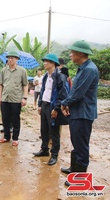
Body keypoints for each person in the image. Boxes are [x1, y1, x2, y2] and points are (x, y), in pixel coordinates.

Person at [60, 40, 99, 186]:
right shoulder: (83, 68)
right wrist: (68, 104)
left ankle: (80, 179)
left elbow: (78, 94)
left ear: (80, 53)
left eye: (72, 52)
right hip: (77, 111)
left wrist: (64, 103)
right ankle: (74, 169)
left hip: (83, 113)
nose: (70, 55)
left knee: (81, 145)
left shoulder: (89, 69)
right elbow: (75, 91)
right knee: (75, 141)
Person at [33, 54, 69, 165]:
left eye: (47, 61)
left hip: (53, 107)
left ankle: (54, 155)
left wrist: (57, 108)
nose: (44, 63)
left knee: (54, 131)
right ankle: (44, 149)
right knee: (44, 129)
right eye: (44, 61)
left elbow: (63, 95)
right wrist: (39, 105)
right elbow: (43, 91)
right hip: (44, 105)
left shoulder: (60, 77)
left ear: (53, 63)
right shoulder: (45, 77)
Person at [0, 51, 28, 146]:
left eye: (12, 58)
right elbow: (0, 84)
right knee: (5, 118)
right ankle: (6, 136)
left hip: (16, 99)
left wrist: (25, 97)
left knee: (15, 119)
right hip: (5, 98)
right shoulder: (3, 70)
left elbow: (25, 85)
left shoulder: (22, 71)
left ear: (17, 59)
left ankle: (15, 138)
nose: (10, 59)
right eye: (9, 58)